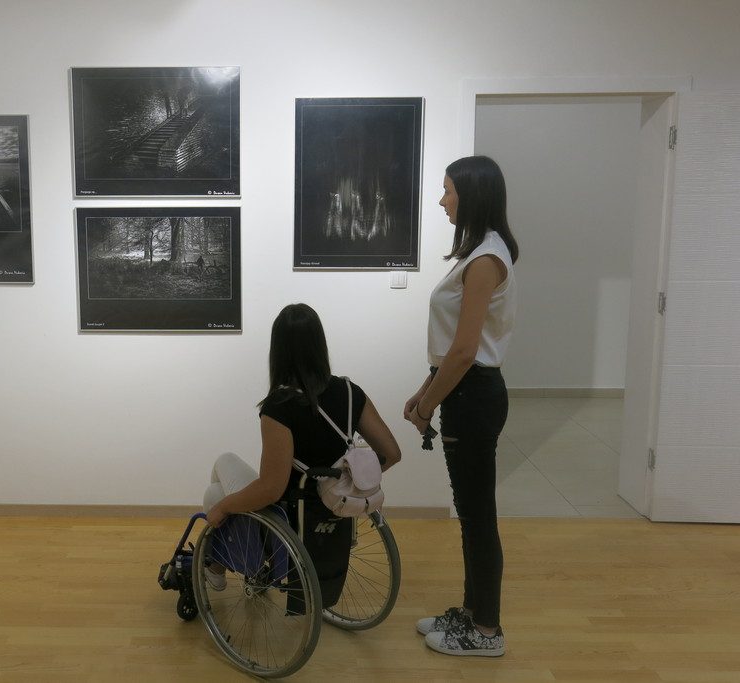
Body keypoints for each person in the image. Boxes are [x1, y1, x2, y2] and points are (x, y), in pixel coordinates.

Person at [204, 303, 401, 597]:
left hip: (290, 516)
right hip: (336, 505)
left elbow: (270, 489)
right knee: (221, 491)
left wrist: (222, 508)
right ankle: (227, 565)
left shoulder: (279, 406)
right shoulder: (350, 392)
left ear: (278, 351)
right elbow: (391, 453)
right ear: (320, 344)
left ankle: (219, 566)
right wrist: (348, 476)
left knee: (217, 487)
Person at [405, 155, 519, 657]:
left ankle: (487, 631)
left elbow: (466, 351)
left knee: (477, 518)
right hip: (466, 391)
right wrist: (426, 388)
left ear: (471, 195)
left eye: (448, 190)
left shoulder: (486, 259)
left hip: (473, 396)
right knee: (472, 515)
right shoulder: (480, 252)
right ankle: (473, 614)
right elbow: (452, 347)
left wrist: (427, 405)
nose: (442, 200)